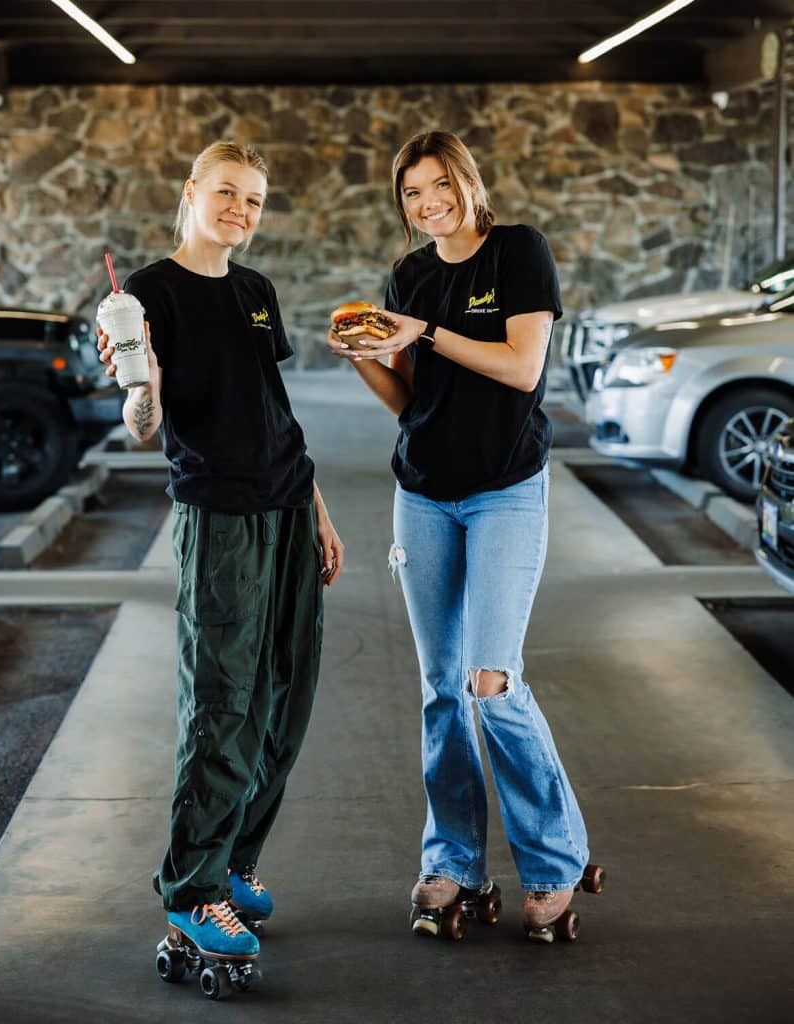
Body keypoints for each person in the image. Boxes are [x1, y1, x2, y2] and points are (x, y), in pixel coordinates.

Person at [326, 130, 591, 940]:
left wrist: (426, 334)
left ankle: (554, 861)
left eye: (439, 184)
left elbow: (521, 367)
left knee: (492, 683)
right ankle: (453, 861)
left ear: (468, 184)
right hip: (424, 497)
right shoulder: (408, 276)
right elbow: (412, 403)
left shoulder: (519, 252)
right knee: (442, 687)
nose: (428, 201)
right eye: (411, 192)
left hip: (506, 491)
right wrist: (361, 356)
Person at [98, 141, 344, 973]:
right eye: (229, 193)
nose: (242, 209)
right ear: (193, 192)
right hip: (221, 519)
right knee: (223, 703)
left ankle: (235, 860)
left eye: (257, 200)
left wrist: (317, 506)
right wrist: (143, 391)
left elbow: (274, 408)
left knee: (286, 695)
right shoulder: (146, 295)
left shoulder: (255, 290)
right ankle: (191, 887)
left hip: (286, 507)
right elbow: (143, 428)